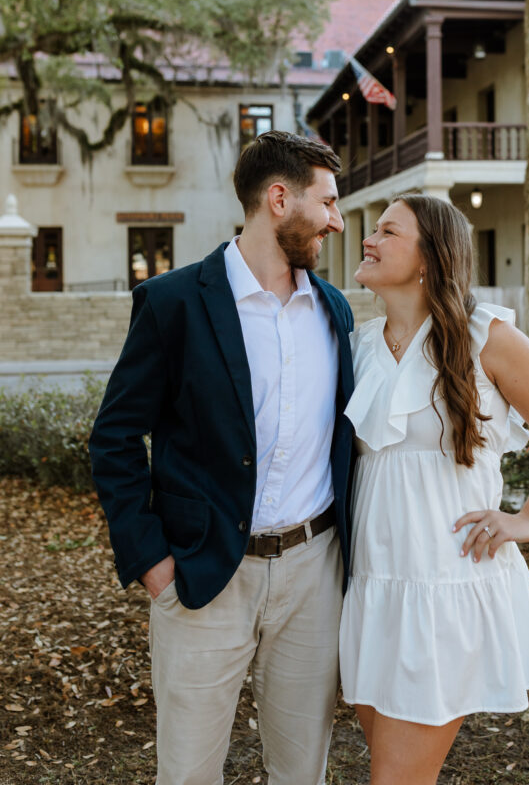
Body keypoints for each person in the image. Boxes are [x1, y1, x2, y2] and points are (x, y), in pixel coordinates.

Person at [89, 131, 355, 785]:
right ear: (277, 198)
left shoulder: (335, 311)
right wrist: (150, 559)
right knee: (187, 774)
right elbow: (115, 438)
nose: (338, 220)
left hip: (313, 574)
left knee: (303, 772)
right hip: (203, 576)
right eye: (326, 202)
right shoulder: (174, 303)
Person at [339, 193, 529, 785]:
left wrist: (527, 520)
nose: (368, 240)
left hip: (444, 589)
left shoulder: (488, 336)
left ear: (429, 258)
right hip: (374, 591)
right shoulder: (361, 345)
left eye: (387, 232)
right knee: (393, 772)